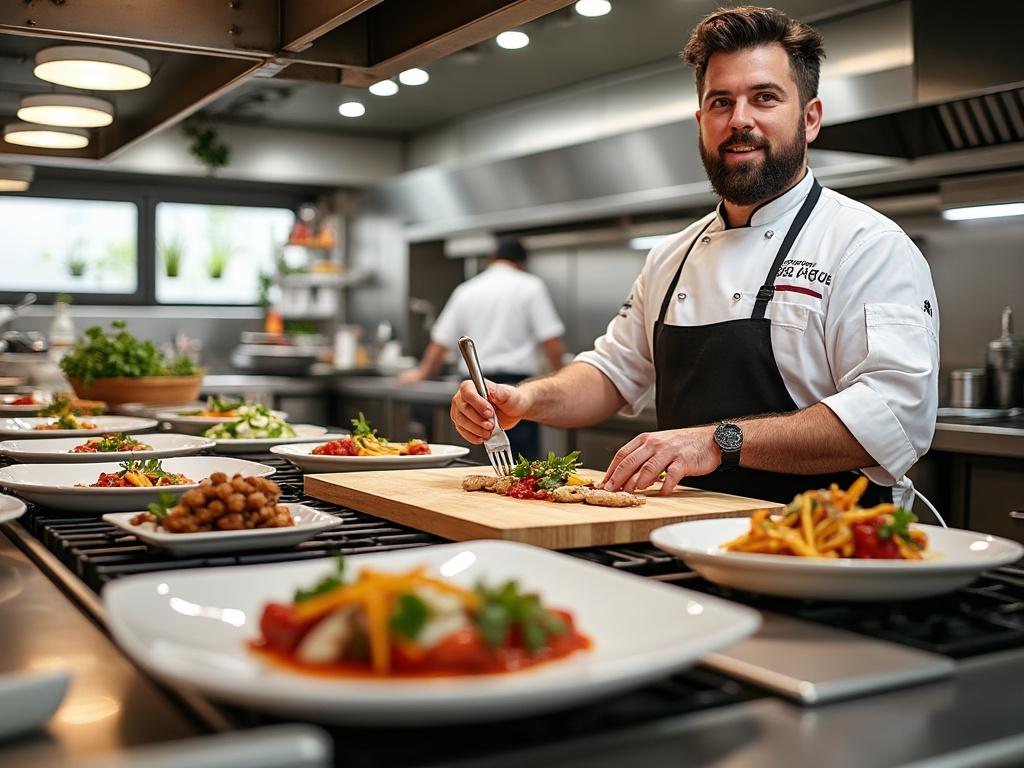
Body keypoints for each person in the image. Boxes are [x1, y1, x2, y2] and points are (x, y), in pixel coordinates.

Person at [448, 6, 939, 507]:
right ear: (702, 121)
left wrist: (716, 441)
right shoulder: (671, 255)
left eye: (765, 98)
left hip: (830, 550)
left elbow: (894, 416)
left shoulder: (867, 245)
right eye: (721, 102)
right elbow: (613, 373)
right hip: (681, 540)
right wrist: (527, 399)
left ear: (810, 118)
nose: (740, 120)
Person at [400, 238, 566, 458]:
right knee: (521, 465)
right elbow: (550, 340)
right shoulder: (531, 286)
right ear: (521, 263)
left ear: (493, 258)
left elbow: (441, 340)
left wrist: (422, 372)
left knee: (472, 455)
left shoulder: (467, 289)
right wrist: (561, 375)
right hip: (515, 388)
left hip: (471, 388)